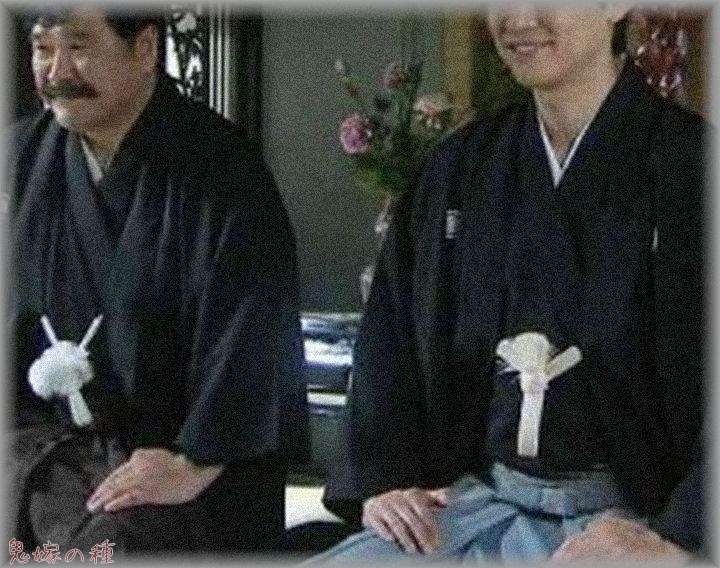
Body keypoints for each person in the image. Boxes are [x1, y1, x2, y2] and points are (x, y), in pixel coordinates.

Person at [319, 6, 706, 563]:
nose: (519, 18)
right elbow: (392, 337)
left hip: (644, 524)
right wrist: (384, 481)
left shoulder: (694, 168)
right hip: (477, 505)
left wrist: (678, 539)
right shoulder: (463, 168)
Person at [6, 6, 308, 557]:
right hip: (47, 452)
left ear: (145, 49)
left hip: (177, 465)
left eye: (78, 47)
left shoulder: (222, 170)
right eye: (43, 49)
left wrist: (194, 459)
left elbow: (253, 336)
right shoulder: (19, 160)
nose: (57, 72)